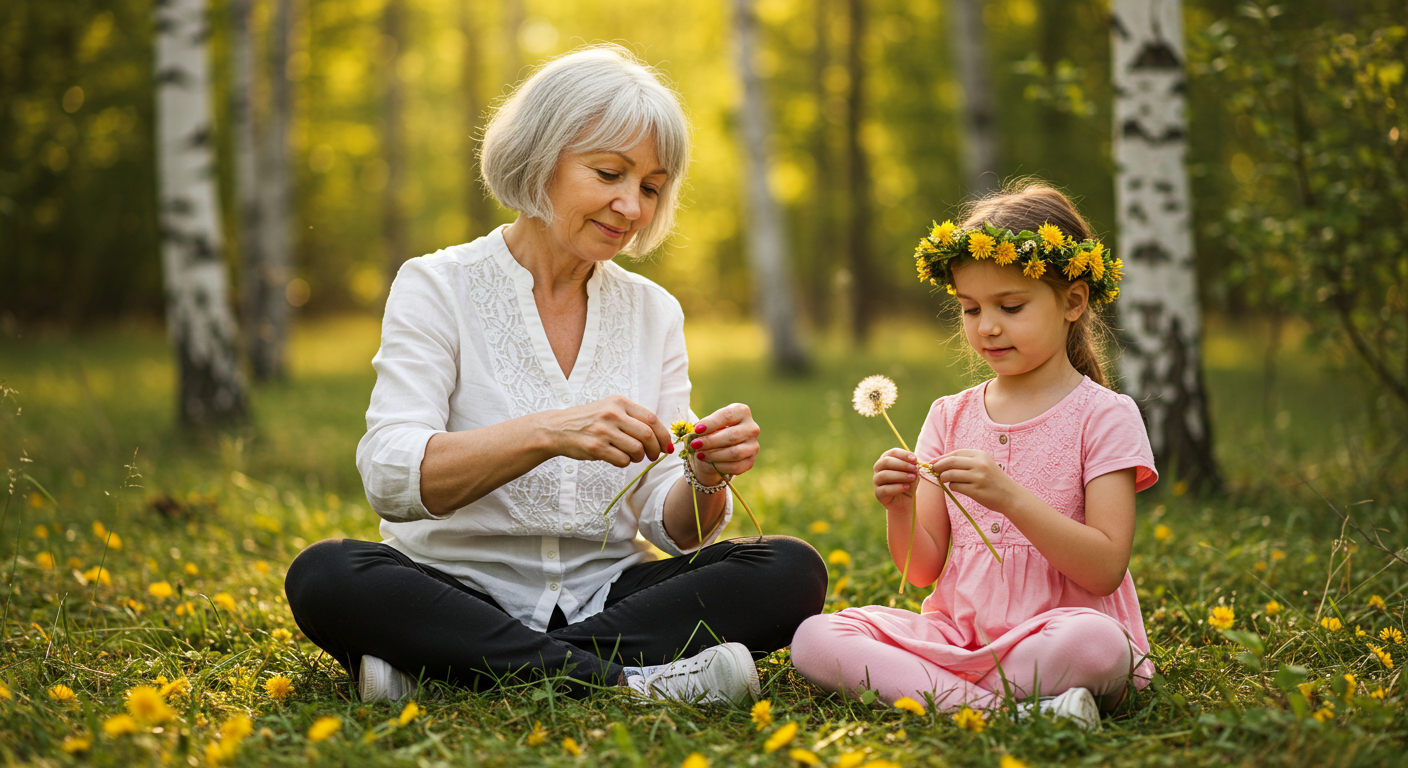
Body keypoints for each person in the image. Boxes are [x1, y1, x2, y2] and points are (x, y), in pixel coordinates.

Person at [284, 45, 826, 707]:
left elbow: (672, 528)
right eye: (609, 173)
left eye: (651, 187)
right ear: (540, 157)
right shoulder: (437, 285)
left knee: (791, 570)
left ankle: (441, 662)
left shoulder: (655, 312)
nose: (631, 205)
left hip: (608, 597)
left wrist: (704, 476)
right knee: (327, 574)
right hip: (451, 588)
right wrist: (550, 431)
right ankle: (633, 684)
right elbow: (392, 476)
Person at [790, 183, 1158, 730]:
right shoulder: (949, 415)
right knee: (815, 638)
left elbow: (1104, 569)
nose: (986, 326)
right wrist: (899, 506)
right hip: (957, 635)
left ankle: (942, 694)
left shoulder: (1104, 414)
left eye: (1010, 306)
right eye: (970, 308)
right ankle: (1008, 711)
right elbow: (920, 570)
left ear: (1073, 302)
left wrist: (1009, 497)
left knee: (1099, 645)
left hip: (1058, 636)